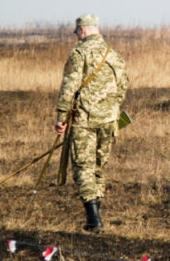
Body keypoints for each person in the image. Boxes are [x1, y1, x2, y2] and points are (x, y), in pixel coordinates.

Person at [54, 14, 128, 233]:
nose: (77, 36)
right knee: (97, 166)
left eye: (77, 32)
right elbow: (122, 87)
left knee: (83, 167)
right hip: (109, 121)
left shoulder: (79, 53)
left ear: (83, 30)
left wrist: (61, 116)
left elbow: (69, 86)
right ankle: (93, 217)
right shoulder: (114, 55)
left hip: (85, 120)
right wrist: (110, 110)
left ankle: (94, 219)